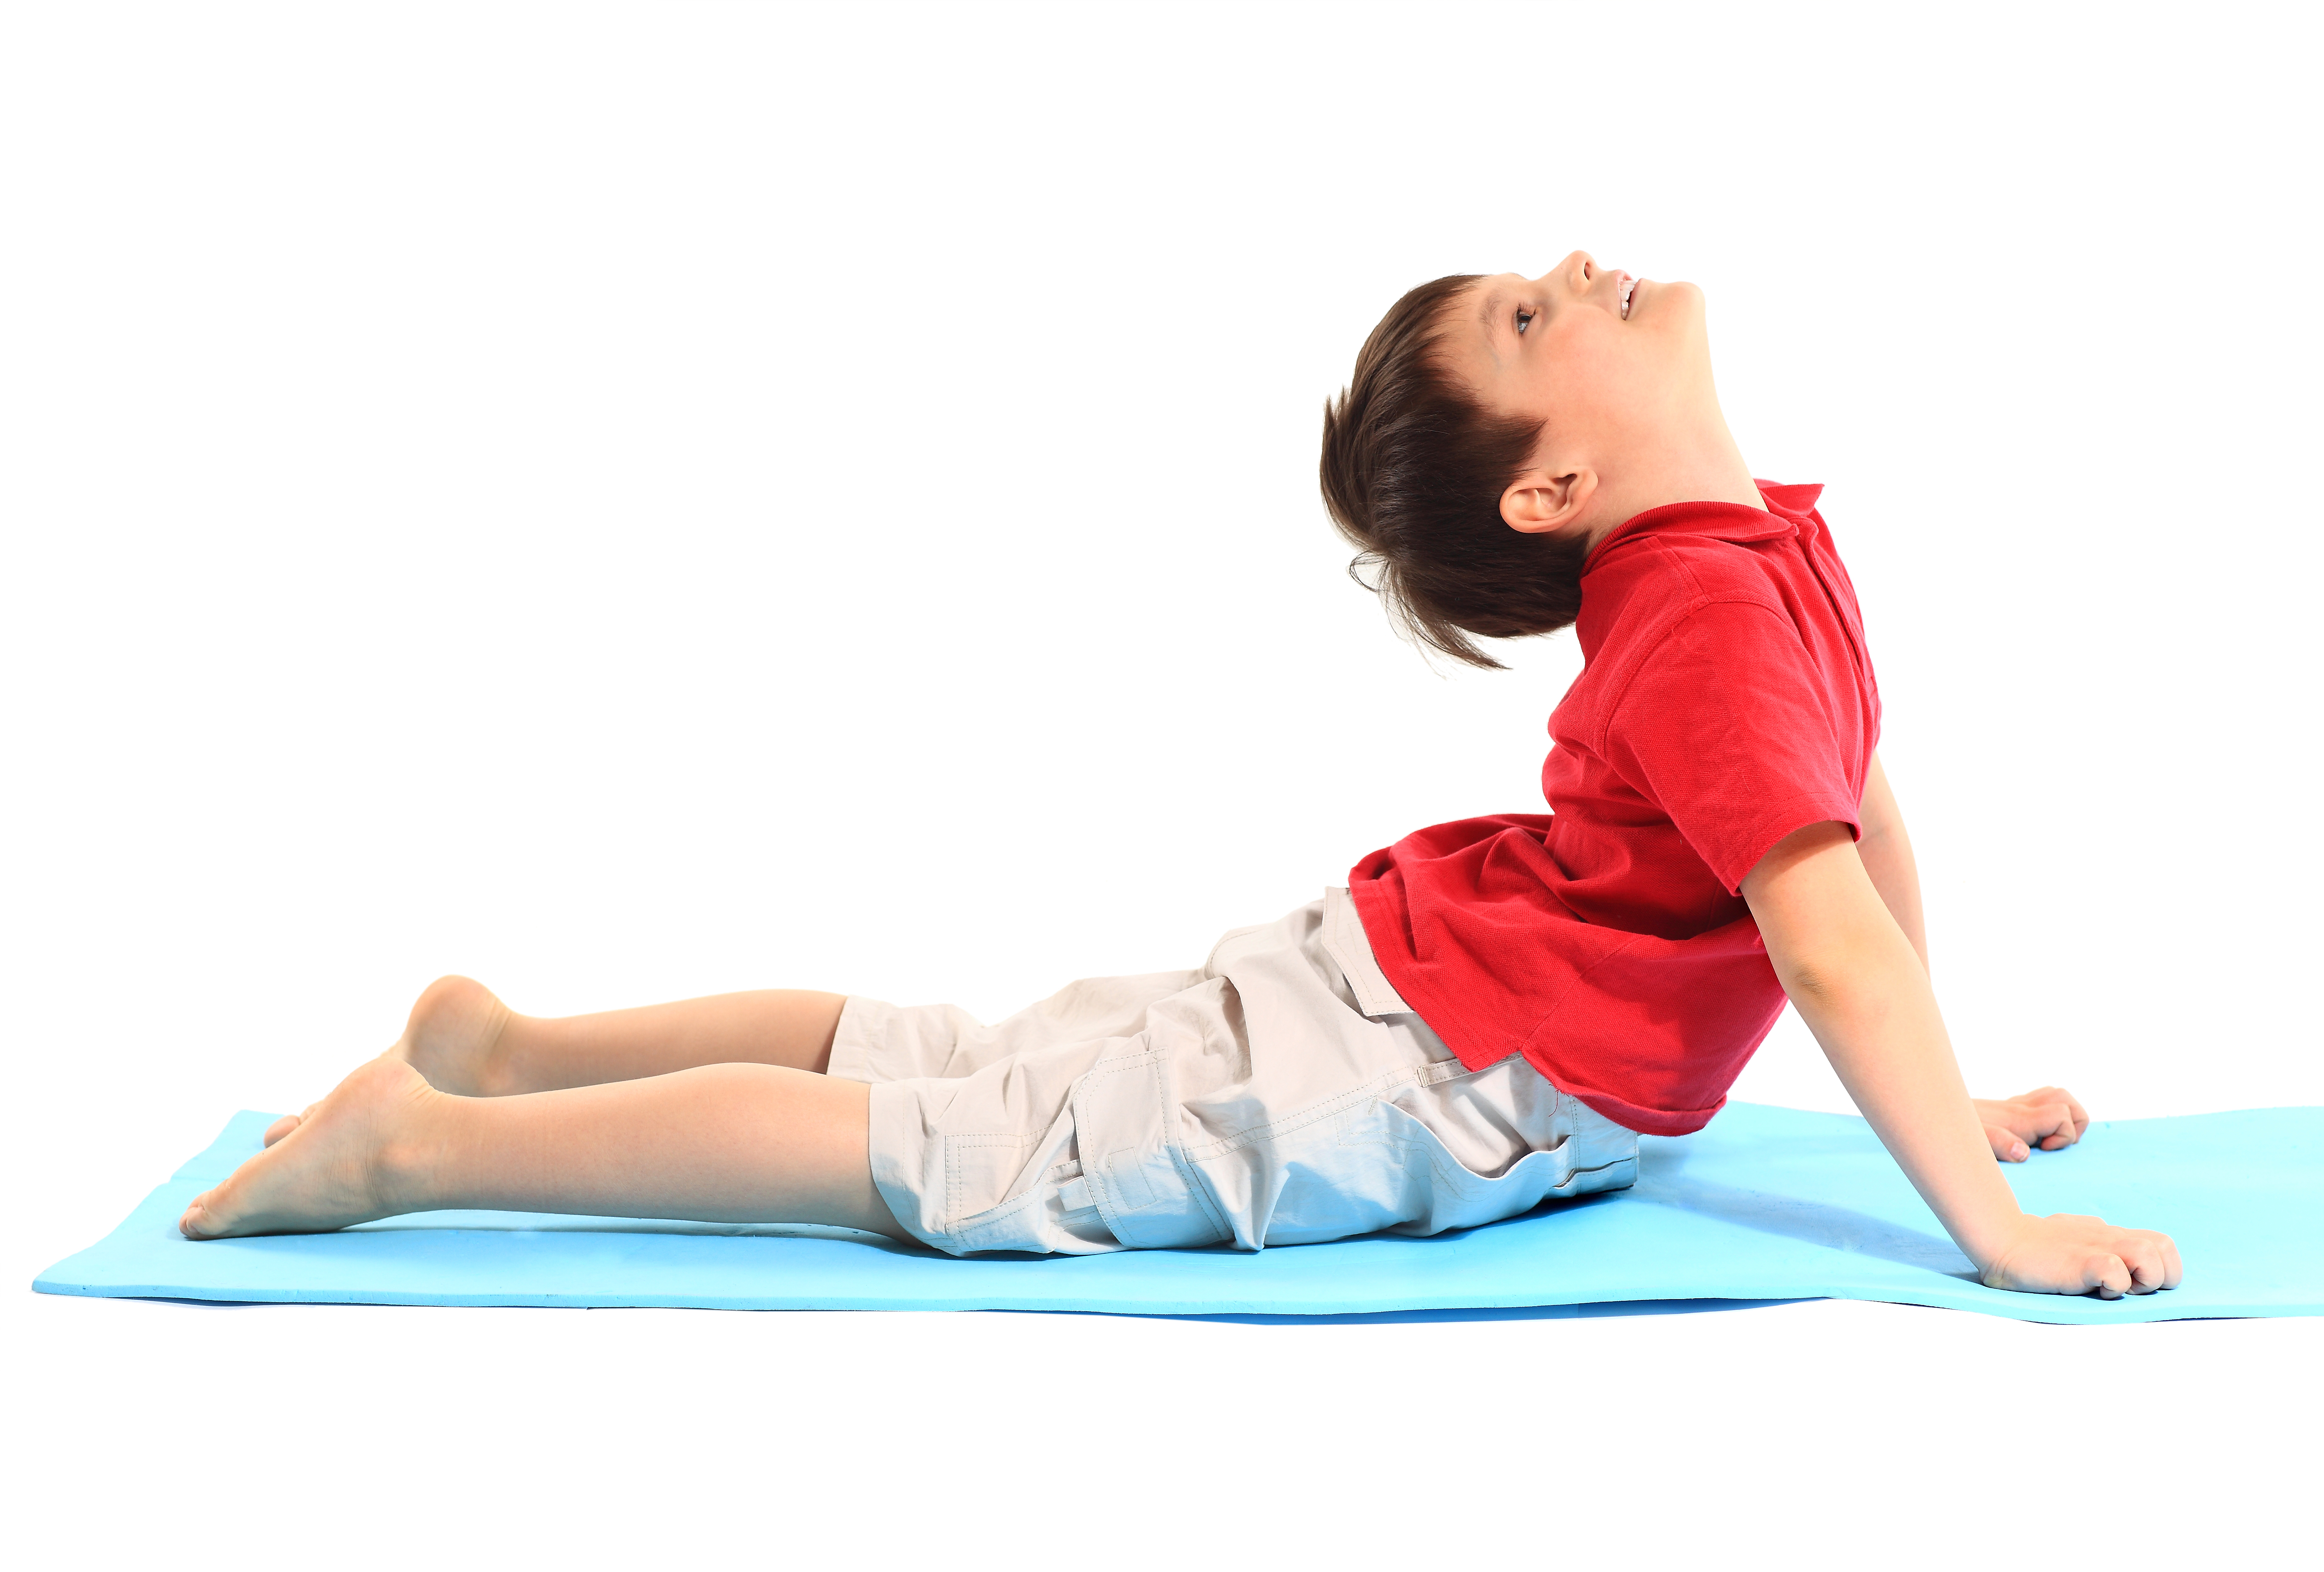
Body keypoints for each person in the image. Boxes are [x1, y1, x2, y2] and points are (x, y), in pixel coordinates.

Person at [180, 252, 2181, 1300]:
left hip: (1412, 988)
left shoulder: (1759, 557)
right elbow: (1823, 942)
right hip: (1423, 1068)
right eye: (1527, 310)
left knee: (966, 1059)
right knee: (961, 1157)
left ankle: (517, 1050)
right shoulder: (1719, 611)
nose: (1573, 263)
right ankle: (435, 1146)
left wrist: (1966, 1098)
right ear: (1557, 484)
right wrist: (1985, 1235)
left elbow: (1858, 818)